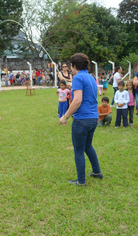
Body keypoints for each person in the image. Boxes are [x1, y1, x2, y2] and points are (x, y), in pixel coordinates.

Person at [59, 53, 102, 186]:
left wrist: (65, 116)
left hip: (82, 120)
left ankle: (81, 180)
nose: (70, 68)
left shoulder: (78, 78)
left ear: (75, 65)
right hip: (93, 118)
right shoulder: (90, 77)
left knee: (78, 150)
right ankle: (96, 172)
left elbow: (77, 100)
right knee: (88, 146)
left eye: (71, 66)